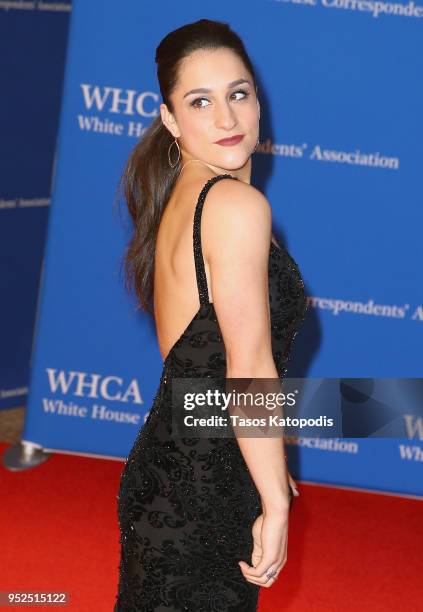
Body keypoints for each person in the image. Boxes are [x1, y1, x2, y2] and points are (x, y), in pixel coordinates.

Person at [115, 18, 307, 612]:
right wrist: (275, 500)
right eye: (200, 101)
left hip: (177, 474)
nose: (227, 119)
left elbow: (192, 367)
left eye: (238, 94)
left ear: (258, 101)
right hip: (203, 495)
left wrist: (263, 463)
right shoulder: (235, 206)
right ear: (171, 119)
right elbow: (247, 362)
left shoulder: (183, 197)